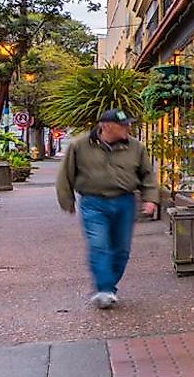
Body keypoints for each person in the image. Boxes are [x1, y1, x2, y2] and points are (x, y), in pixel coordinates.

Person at [54, 109, 159, 309]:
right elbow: (65, 175)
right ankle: (104, 289)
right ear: (106, 126)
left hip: (124, 202)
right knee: (99, 245)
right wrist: (66, 201)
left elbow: (147, 175)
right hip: (93, 202)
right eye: (124, 125)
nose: (128, 127)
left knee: (121, 250)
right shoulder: (79, 146)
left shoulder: (136, 147)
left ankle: (108, 286)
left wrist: (150, 199)